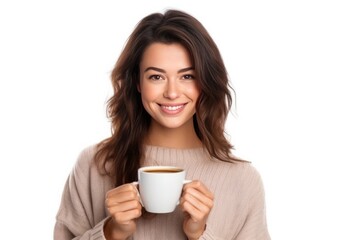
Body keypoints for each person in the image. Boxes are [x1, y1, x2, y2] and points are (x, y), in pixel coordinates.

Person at [54, 9, 271, 240]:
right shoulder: (94, 165)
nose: (172, 93)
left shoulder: (243, 180)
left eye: (187, 76)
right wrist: (111, 232)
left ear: (206, 81)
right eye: (156, 77)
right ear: (137, 82)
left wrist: (199, 234)